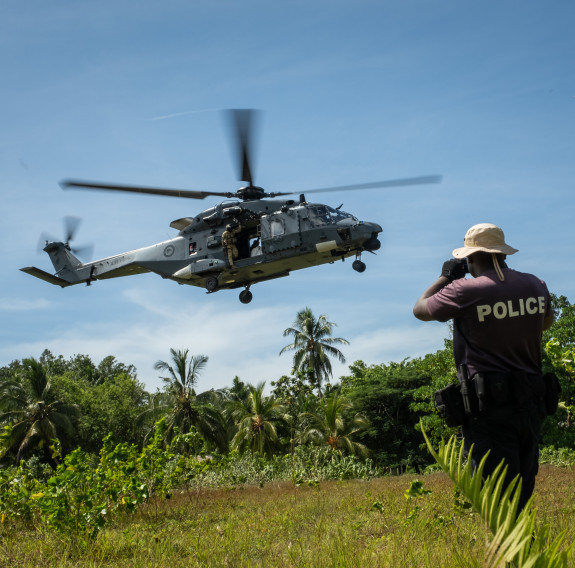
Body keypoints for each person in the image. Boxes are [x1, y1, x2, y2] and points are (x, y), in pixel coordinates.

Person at [413, 222, 554, 512]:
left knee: (497, 497)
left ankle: (508, 553)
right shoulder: (535, 285)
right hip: (531, 405)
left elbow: (421, 309)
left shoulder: (465, 291)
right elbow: (546, 323)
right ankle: (521, 551)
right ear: (502, 254)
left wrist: (445, 277)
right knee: (522, 491)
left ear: (471, 258)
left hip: (489, 409)